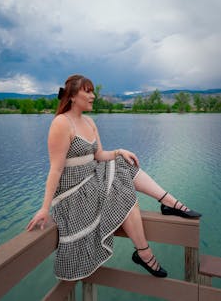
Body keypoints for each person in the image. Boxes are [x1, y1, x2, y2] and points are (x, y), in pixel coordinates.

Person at [26, 74, 201, 280]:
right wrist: (45, 208)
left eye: (93, 91)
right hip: (73, 193)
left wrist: (119, 151)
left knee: (121, 164)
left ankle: (165, 209)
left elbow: (99, 155)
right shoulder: (61, 123)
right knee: (122, 186)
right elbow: (55, 169)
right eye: (88, 91)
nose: (93, 95)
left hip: (91, 180)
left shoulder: (89, 122)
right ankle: (149, 243)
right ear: (72, 96)